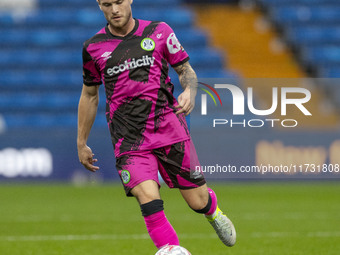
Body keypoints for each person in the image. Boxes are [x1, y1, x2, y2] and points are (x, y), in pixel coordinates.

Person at [77, 0, 236, 250]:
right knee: (148, 199)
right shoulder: (93, 48)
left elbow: (186, 70)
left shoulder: (159, 31)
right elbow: (89, 95)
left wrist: (190, 92)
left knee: (197, 200)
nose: (115, 9)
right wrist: (81, 142)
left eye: (119, 2)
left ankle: (212, 211)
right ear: (99, 5)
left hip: (169, 128)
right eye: (107, 4)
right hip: (128, 138)